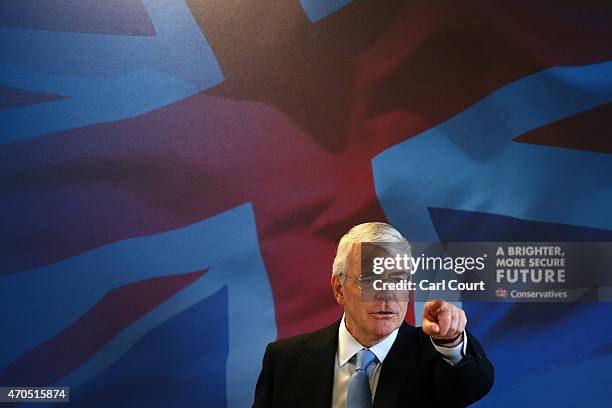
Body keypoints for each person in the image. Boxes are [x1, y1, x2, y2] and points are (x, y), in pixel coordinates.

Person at [252, 222, 494, 407]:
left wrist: (450, 341)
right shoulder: (284, 359)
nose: (386, 294)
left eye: (398, 279)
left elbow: (471, 386)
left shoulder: (438, 355)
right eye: (370, 279)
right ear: (339, 289)